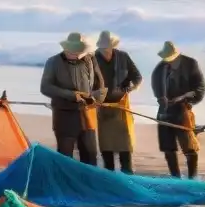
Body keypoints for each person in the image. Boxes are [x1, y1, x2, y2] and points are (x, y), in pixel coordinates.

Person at [40, 32, 107, 165]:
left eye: (78, 52)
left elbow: (100, 85)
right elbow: (45, 87)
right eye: (72, 51)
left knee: (90, 157)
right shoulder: (53, 62)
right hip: (64, 117)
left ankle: (87, 184)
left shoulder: (90, 60)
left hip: (87, 116)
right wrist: (71, 95)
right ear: (65, 48)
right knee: (65, 159)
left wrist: (97, 99)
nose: (75, 54)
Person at [151, 41, 205, 179]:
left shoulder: (191, 64)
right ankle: (175, 176)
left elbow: (200, 88)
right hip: (164, 111)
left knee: (189, 147)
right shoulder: (159, 69)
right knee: (168, 148)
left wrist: (185, 98)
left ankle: (192, 177)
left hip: (183, 110)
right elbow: (156, 88)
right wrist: (161, 99)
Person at [93, 30, 142, 174]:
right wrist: (94, 95)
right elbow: (86, 84)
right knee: (107, 149)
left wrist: (133, 87)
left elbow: (137, 77)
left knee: (125, 149)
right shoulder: (92, 59)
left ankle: (128, 178)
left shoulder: (123, 56)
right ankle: (110, 180)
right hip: (103, 107)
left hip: (121, 107)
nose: (105, 50)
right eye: (103, 48)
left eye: (108, 47)